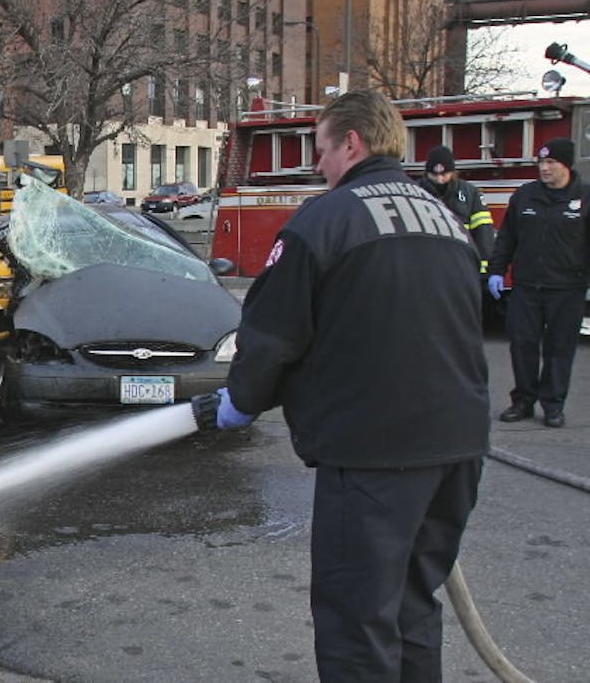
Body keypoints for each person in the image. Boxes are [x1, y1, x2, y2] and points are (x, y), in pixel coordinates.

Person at [212, 90, 489, 682]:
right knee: (414, 606)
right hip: (456, 447)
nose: (317, 165)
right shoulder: (444, 218)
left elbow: (273, 332)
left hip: (374, 455)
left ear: (352, 143)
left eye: (321, 149)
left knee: (357, 619)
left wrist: (241, 400)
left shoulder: (325, 219)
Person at [486, 137, 590, 428]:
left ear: (565, 165)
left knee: (559, 349)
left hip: (567, 288)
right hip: (527, 287)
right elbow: (507, 237)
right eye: (540, 163)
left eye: (550, 163)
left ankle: (553, 405)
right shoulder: (525, 196)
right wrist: (497, 270)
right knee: (522, 345)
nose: (543, 168)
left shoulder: (584, 196)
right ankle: (523, 400)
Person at [416, 145, 495, 273]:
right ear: (426, 173)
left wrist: (485, 273)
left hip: (461, 266)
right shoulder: (415, 192)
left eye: (444, 174)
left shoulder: (470, 193)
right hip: (426, 268)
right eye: (434, 174)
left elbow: (484, 235)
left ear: (453, 172)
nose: (439, 180)